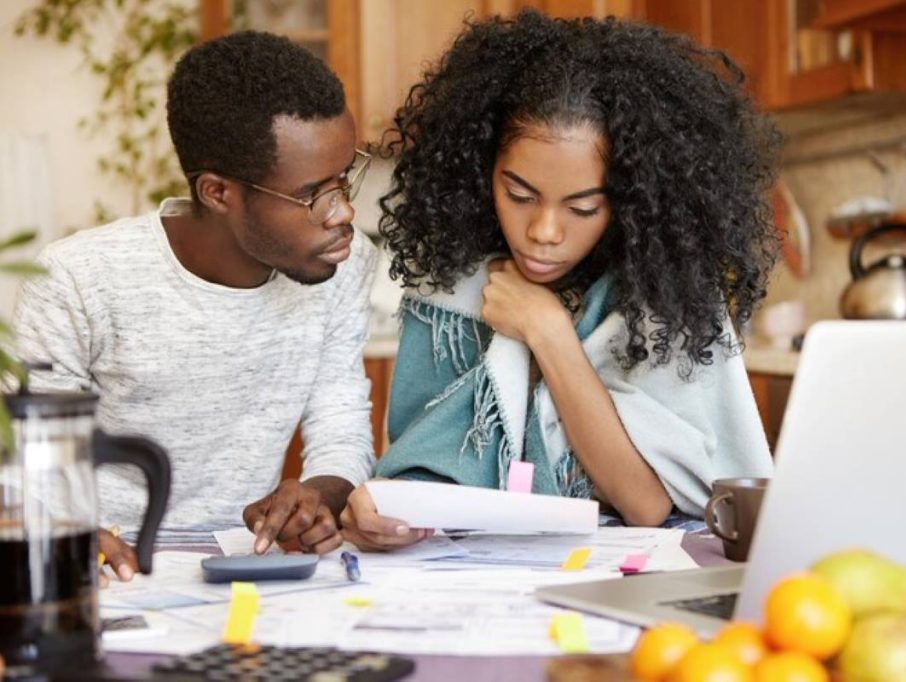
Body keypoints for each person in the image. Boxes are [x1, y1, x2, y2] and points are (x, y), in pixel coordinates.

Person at [338, 11, 780, 551]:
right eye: (519, 195)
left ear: (627, 201)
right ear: (482, 174)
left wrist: (546, 331)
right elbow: (417, 478)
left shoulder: (666, 295)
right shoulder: (449, 287)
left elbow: (644, 503)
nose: (543, 232)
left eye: (583, 207)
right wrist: (385, 514)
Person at [14, 31, 377, 579]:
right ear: (218, 193)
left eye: (345, 179)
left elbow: (340, 422)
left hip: (248, 570)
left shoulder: (343, 266)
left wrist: (314, 496)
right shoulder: (77, 279)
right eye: (311, 195)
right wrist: (70, 539)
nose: (342, 212)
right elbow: (29, 462)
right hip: (108, 579)